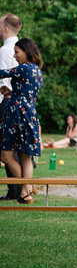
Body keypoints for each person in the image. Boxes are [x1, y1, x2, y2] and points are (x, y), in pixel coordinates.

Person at [0, 38, 43, 204]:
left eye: (17, 52)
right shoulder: (37, 71)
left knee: (6, 155)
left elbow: (2, 73)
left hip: (17, 114)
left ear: (27, 52)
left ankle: (26, 190)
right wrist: (11, 91)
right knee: (25, 156)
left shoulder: (23, 68)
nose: (14, 55)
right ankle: (27, 193)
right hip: (30, 114)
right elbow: (26, 92)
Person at [0, 14, 22, 200]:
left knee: (6, 150)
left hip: (6, 102)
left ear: (6, 28)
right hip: (20, 103)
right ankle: (16, 190)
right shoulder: (24, 49)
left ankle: (18, 190)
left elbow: (2, 81)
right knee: (12, 149)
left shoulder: (5, 50)